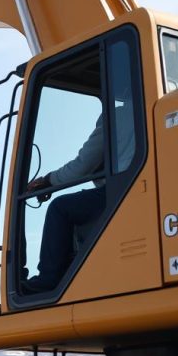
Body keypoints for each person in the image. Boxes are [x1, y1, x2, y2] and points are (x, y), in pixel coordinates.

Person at [24, 101, 134, 293]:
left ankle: (49, 279)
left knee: (60, 208)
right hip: (137, 188)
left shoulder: (118, 116)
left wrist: (48, 181)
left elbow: (83, 165)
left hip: (122, 191)